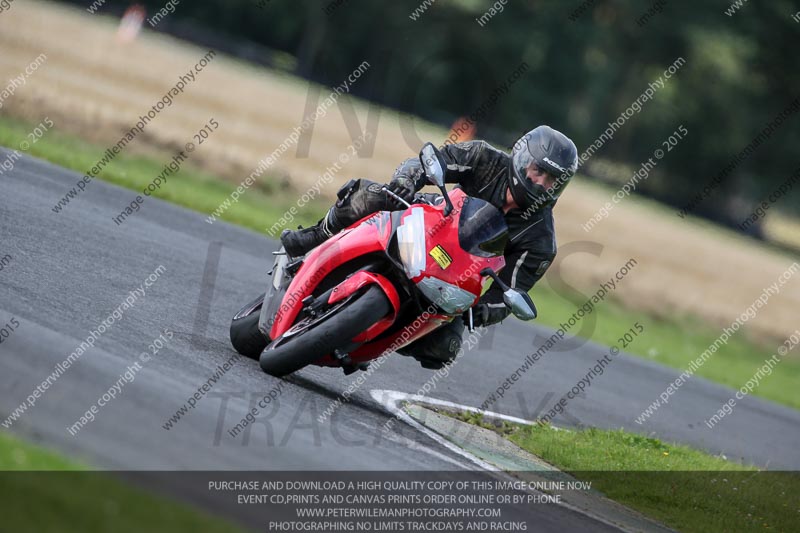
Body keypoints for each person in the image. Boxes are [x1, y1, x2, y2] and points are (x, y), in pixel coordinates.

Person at [280, 126, 578, 369]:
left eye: (552, 181)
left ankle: (371, 339)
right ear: (523, 159)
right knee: (370, 195)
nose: (541, 183)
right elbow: (431, 161)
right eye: (538, 171)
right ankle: (317, 236)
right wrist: (406, 181)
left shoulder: (540, 241)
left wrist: (483, 312)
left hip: (456, 276)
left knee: (443, 349)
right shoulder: (484, 158)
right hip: (432, 220)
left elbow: (511, 291)